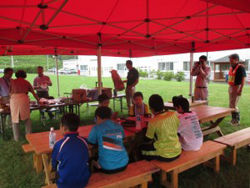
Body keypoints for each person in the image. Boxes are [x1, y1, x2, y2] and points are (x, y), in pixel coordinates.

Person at [52, 113, 90, 188]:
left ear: (64, 128)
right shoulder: (84, 141)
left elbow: (54, 163)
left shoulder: (59, 144)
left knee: (57, 170)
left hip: (64, 184)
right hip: (83, 181)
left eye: (60, 126)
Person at [88, 106, 128, 174]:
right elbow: (123, 140)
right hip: (124, 163)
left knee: (91, 159)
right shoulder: (118, 126)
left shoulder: (96, 128)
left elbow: (89, 146)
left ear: (97, 117)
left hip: (107, 167)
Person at [140, 94, 181, 161]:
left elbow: (148, 139)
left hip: (164, 155)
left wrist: (145, 130)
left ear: (152, 109)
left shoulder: (153, 121)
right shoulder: (173, 114)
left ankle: (149, 167)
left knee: (141, 149)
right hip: (177, 149)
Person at [9, 70, 39, 141]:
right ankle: (29, 135)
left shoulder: (12, 81)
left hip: (14, 100)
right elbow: (33, 93)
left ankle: (16, 138)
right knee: (27, 118)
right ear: (24, 75)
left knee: (15, 119)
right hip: (23, 99)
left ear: (16, 75)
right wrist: (39, 100)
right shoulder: (26, 82)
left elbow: (9, 92)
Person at [228, 54, 246, 126]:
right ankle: (233, 120)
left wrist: (240, 89)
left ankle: (236, 121)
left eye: (232, 60)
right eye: (230, 60)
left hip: (237, 87)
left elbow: (243, 79)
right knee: (231, 104)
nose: (230, 62)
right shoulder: (232, 67)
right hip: (231, 86)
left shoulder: (240, 67)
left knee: (234, 104)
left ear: (236, 60)